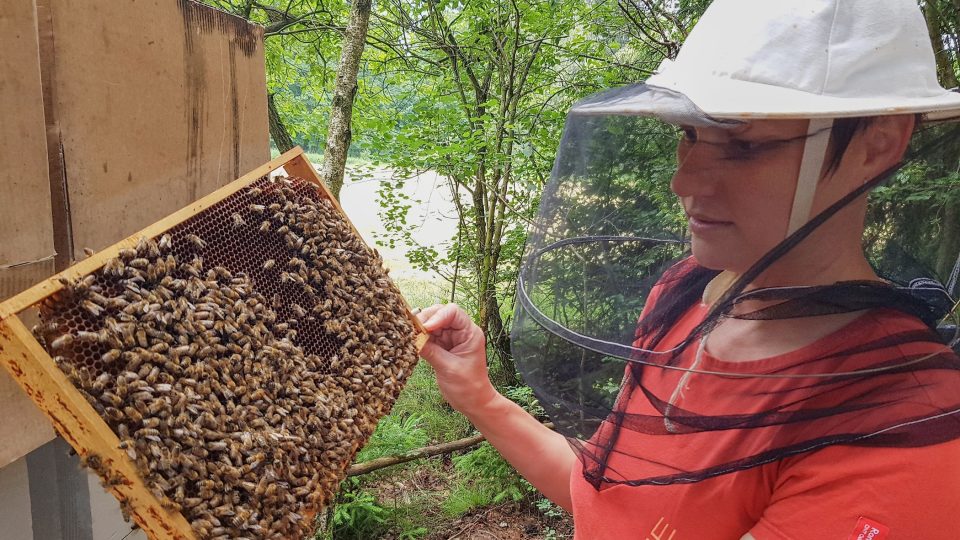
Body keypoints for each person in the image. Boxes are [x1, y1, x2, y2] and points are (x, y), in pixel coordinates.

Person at [417, 0, 960, 538]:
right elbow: (609, 502)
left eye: (742, 145)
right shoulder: (684, 293)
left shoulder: (901, 423)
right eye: (692, 136)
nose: (684, 182)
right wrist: (478, 395)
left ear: (879, 143)